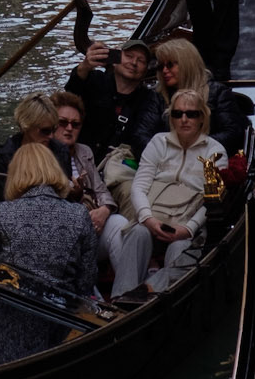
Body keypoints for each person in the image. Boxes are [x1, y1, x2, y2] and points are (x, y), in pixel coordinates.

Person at [0, 144, 98, 366]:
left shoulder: (2, 213)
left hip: (10, 325)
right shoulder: (79, 214)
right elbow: (86, 281)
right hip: (60, 325)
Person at [107, 90, 228, 297]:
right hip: (153, 217)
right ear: (171, 117)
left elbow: (212, 202)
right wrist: (148, 219)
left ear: (202, 118)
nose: (184, 119)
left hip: (187, 224)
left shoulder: (215, 152)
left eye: (191, 114)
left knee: (179, 247)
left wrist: (188, 229)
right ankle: (121, 297)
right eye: (177, 114)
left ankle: (152, 292)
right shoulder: (158, 142)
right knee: (138, 233)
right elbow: (139, 186)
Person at [65, 39, 163, 217]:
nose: (134, 63)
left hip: (118, 171)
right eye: (129, 56)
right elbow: (71, 93)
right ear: (115, 59)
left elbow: (143, 136)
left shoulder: (149, 99)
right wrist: (85, 66)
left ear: (146, 70)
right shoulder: (95, 80)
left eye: (141, 60)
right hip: (82, 162)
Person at [51, 91, 141, 277]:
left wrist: (105, 210)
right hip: (62, 236)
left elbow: (101, 191)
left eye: (75, 124)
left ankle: (127, 287)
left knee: (119, 223)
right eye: (63, 123)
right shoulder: (42, 156)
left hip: (93, 228)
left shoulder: (84, 151)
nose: (69, 128)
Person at [154, 37, 248, 155]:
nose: (164, 70)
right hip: (165, 159)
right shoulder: (157, 96)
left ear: (186, 64)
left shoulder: (218, 93)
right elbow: (142, 134)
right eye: (160, 66)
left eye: (170, 65)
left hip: (207, 159)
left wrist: (195, 146)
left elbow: (232, 134)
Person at [0, 93, 71, 201]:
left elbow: (66, 197)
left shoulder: (60, 151)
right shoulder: (6, 156)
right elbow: (1, 199)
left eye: (53, 130)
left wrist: (76, 193)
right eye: (45, 131)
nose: (51, 136)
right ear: (27, 126)